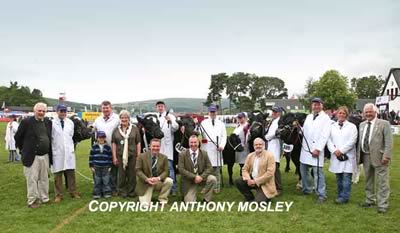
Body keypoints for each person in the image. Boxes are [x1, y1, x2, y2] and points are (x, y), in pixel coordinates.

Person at [14, 102, 52, 208]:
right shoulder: (26, 122)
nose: (41, 113)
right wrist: (24, 149)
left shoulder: (48, 122)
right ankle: (32, 200)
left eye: (43, 111)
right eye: (39, 110)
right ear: (34, 111)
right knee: (32, 179)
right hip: (32, 156)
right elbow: (18, 137)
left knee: (44, 178)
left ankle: (44, 198)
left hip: (45, 155)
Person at [358, 103, 393, 213]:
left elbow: (389, 142)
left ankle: (382, 205)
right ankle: (370, 200)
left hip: (380, 157)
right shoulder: (362, 124)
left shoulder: (384, 124)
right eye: (366, 112)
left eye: (370, 112)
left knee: (382, 181)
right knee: (368, 180)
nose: (368, 114)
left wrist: (386, 155)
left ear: (375, 112)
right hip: (366, 155)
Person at [299, 97, 332, 203]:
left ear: (322, 105)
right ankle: (306, 189)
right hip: (306, 149)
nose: (316, 106)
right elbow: (305, 130)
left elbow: (325, 135)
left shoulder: (326, 118)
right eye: (314, 104)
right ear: (311, 106)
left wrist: (318, 149)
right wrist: (299, 128)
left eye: (318, 104)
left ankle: (321, 194)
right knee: (303, 171)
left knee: (318, 173)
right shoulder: (308, 117)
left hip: (316, 149)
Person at [327, 106, 357, 204]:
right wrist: (335, 150)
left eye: (344, 113)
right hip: (336, 155)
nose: (341, 115)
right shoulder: (332, 126)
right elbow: (329, 140)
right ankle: (340, 195)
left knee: (346, 177)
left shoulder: (352, 126)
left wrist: (342, 150)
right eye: (340, 113)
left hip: (347, 155)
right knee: (339, 177)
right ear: (336, 114)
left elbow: (352, 140)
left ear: (346, 115)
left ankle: (344, 197)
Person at [51, 104, 80, 203]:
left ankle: (73, 191)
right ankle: (58, 195)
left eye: (64, 111)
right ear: (57, 111)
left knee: (71, 173)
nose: (63, 113)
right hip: (57, 152)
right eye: (61, 111)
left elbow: (70, 136)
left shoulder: (70, 123)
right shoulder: (52, 123)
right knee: (57, 175)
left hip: (68, 151)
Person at [235, 138, 277, 202]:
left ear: (264, 145)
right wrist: (248, 179)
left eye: (260, 144)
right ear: (253, 146)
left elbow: (270, 174)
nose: (258, 146)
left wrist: (255, 181)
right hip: (252, 179)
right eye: (256, 144)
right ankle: (249, 197)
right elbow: (244, 169)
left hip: (265, 182)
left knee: (258, 202)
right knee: (239, 181)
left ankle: (266, 195)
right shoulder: (250, 155)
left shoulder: (269, 156)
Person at [178, 134, 217, 202]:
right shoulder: (182, 154)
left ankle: (207, 199)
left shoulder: (204, 153)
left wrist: (201, 177)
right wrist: (194, 177)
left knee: (212, 179)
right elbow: (181, 169)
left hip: (201, 178)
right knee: (190, 203)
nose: (193, 144)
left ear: (198, 143)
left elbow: (210, 168)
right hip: (189, 181)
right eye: (191, 142)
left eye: (195, 142)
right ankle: (186, 195)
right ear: (188, 143)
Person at [111, 110, 141, 198]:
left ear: (129, 118)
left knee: (132, 174)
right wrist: (114, 157)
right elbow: (113, 143)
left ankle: (131, 191)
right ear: (120, 119)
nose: (124, 119)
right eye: (122, 117)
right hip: (120, 155)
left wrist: (138, 155)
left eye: (126, 117)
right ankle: (122, 191)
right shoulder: (116, 130)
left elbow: (138, 142)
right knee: (121, 174)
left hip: (132, 155)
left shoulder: (134, 129)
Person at [93, 100, 119, 195]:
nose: (105, 109)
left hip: (114, 148)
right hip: (101, 150)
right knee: (102, 170)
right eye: (103, 108)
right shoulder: (98, 119)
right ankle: (100, 189)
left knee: (113, 170)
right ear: (101, 109)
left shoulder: (117, 118)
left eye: (107, 107)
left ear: (110, 108)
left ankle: (113, 189)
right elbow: (94, 130)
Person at [199, 104, 227, 193]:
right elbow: (198, 132)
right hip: (206, 148)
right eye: (211, 111)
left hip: (217, 149)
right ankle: (207, 187)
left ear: (216, 112)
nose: (212, 113)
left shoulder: (221, 124)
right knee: (207, 170)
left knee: (216, 170)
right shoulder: (203, 123)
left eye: (214, 111)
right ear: (209, 112)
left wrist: (222, 146)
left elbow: (224, 136)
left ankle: (216, 187)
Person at [136, 138, 173, 205]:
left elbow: (166, 171)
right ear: (150, 146)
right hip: (146, 183)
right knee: (145, 205)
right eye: (153, 146)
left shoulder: (164, 157)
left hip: (157, 182)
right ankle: (144, 197)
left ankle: (162, 199)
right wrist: (146, 179)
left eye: (157, 146)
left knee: (169, 181)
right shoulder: (141, 156)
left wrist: (158, 178)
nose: (155, 148)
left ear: (160, 147)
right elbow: (138, 170)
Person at [155, 101, 179, 196]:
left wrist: (171, 121)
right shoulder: (155, 117)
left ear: (165, 107)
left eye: (162, 106)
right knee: (158, 168)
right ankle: (161, 187)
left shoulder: (171, 116)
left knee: (170, 168)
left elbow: (176, 128)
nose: (160, 108)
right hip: (157, 147)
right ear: (156, 108)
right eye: (158, 106)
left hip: (168, 146)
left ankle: (173, 189)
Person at [265, 106, 283, 196]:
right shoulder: (273, 121)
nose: (273, 113)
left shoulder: (279, 121)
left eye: (275, 112)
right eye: (273, 112)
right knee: (270, 167)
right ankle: (272, 186)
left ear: (279, 113)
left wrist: (267, 136)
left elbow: (276, 133)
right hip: (270, 145)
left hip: (275, 144)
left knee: (275, 168)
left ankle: (279, 188)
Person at [89, 131, 113, 199]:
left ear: (105, 138)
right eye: (100, 137)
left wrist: (110, 166)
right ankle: (97, 193)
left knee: (106, 180)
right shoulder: (94, 147)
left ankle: (107, 192)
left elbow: (110, 157)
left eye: (103, 137)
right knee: (97, 181)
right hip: (96, 167)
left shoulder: (108, 147)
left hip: (105, 166)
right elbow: (91, 157)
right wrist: (91, 166)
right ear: (97, 138)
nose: (101, 139)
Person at [233, 112, 249, 176]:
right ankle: (243, 176)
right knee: (241, 163)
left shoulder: (247, 126)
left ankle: (245, 176)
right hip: (238, 147)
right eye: (238, 117)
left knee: (245, 163)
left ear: (245, 118)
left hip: (245, 147)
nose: (239, 119)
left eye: (241, 117)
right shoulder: (238, 126)